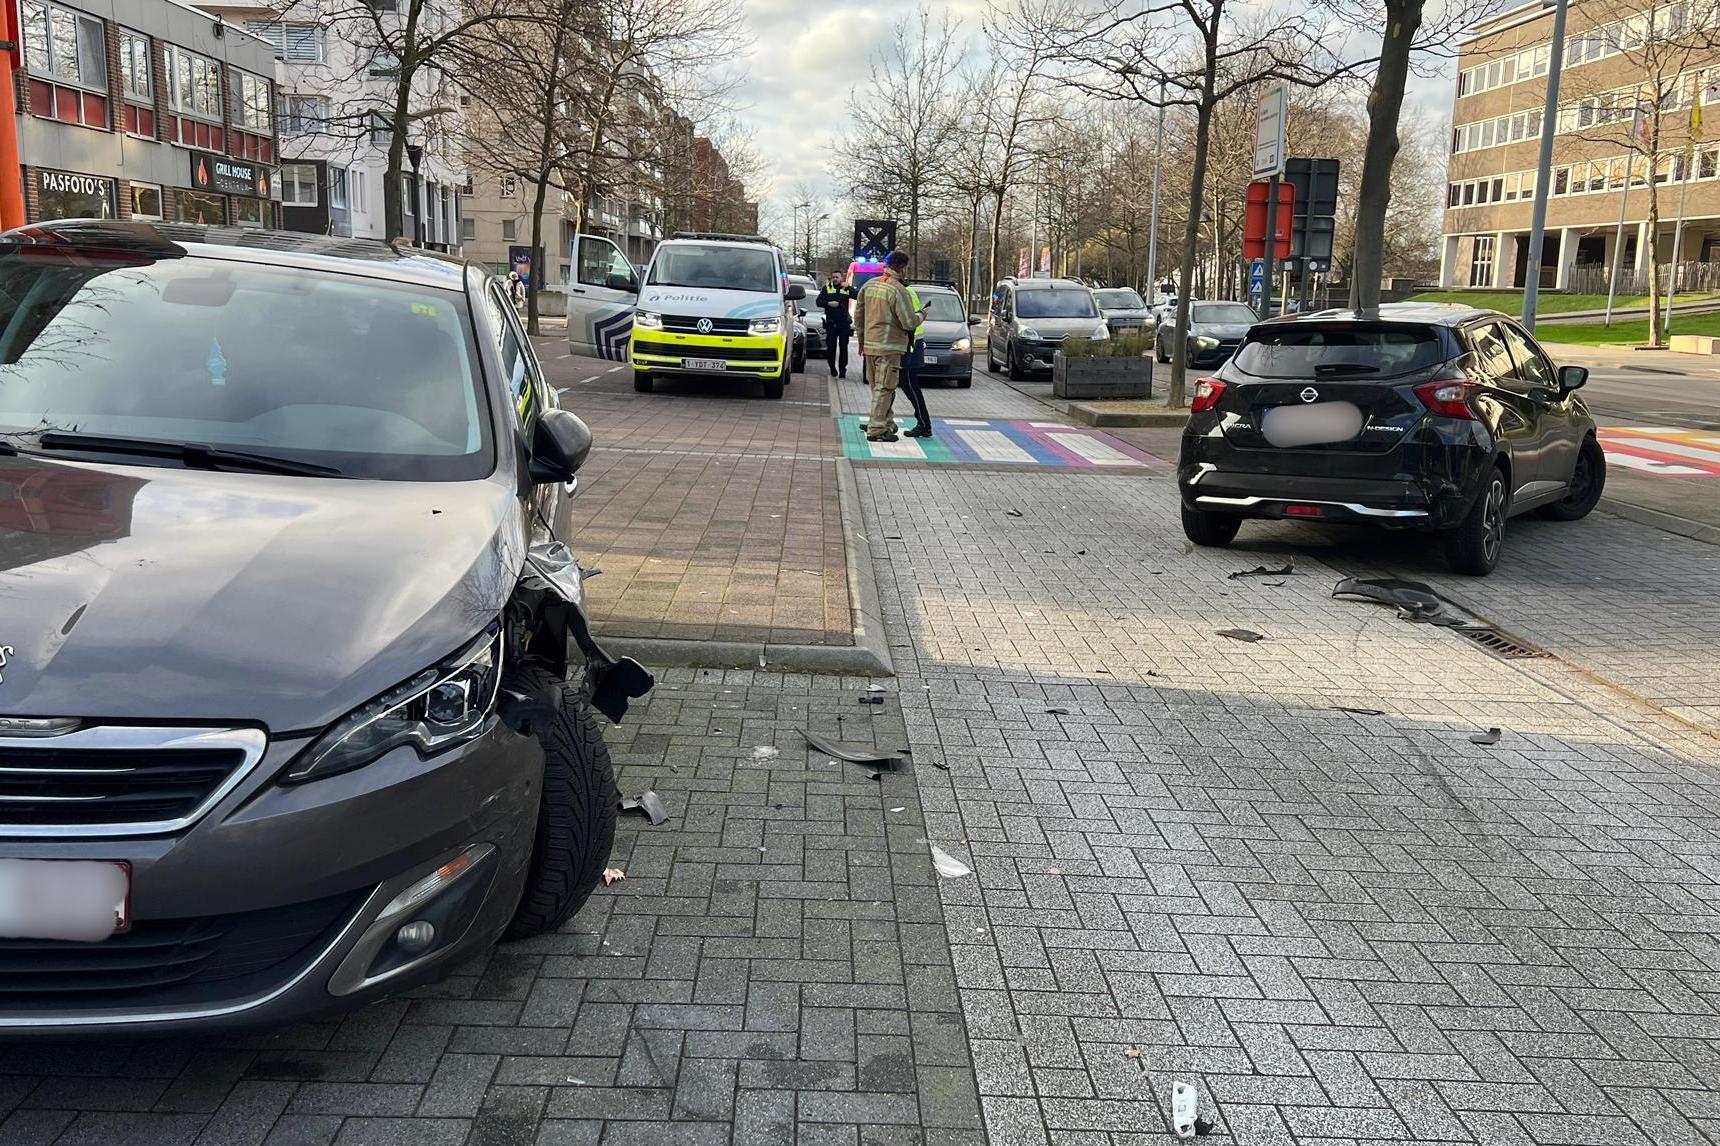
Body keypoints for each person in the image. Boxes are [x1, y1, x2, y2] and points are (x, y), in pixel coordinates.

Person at [853, 250, 917, 443]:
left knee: (877, 387)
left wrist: (861, 341)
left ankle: (885, 421)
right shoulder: (898, 290)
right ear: (903, 267)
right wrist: (922, 315)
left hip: (870, 346)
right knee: (885, 388)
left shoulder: (869, 285)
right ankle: (877, 429)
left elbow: (859, 315)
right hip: (890, 347)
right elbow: (909, 322)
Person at [898, 283, 932, 438]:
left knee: (909, 385)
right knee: (898, 384)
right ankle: (880, 420)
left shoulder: (905, 292)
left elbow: (908, 319)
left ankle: (924, 424)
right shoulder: (908, 291)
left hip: (910, 344)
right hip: (910, 343)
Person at [817, 272, 856, 378]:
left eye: (837, 277)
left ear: (841, 278)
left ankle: (843, 370)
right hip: (831, 322)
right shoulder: (827, 288)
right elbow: (818, 302)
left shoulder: (846, 289)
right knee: (831, 348)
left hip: (843, 322)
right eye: (833, 277)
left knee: (843, 347)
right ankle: (832, 367)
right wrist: (828, 303)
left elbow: (857, 296)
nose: (835, 279)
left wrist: (850, 287)